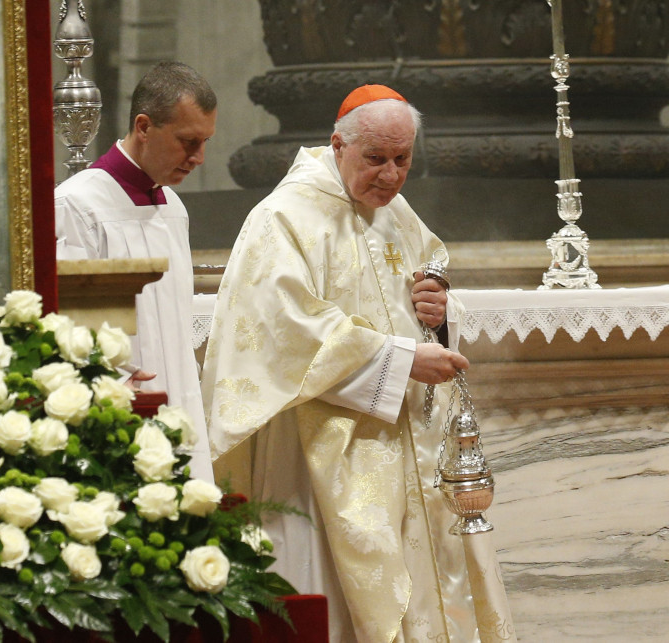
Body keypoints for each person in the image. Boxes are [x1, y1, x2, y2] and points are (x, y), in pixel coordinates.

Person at [201, 85, 513, 641]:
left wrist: (440, 309)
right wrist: (399, 360)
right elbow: (283, 330)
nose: (391, 176)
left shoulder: (396, 213)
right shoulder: (283, 218)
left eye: (403, 160)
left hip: (410, 442)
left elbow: (431, 279)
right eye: (376, 159)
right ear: (337, 144)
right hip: (326, 446)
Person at [54, 62, 216, 483]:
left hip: (180, 404)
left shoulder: (172, 208)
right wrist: (105, 388)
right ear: (144, 126)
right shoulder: (79, 205)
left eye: (205, 142)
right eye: (187, 142)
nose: (198, 158)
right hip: (119, 414)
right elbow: (72, 333)